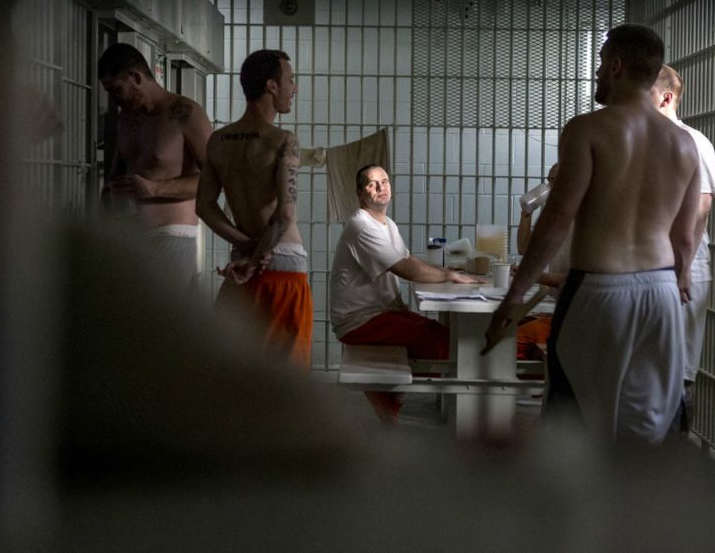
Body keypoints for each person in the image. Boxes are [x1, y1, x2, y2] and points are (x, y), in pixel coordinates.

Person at [485, 24, 701, 447]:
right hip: (661, 292)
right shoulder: (684, 143)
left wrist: (515, 295)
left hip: (599, 290)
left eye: (602, 64)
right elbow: (686, 236)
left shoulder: (587, 130)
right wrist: (682, 276)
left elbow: (558, 218)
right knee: (647, 428)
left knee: (574, 421)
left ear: (616, 66)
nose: (599, 73)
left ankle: (581, 509)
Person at [330, 164, 483, 424]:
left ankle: (391, 398)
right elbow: (405, 268)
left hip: (381, 315)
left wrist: (444, 269)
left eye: (385, 181)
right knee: (437, 340)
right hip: (360, 321)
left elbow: (408, 259)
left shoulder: (387, 224)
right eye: (372, 183)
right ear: (360, 193)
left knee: (437, 333)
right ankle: (399, 398)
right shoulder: (361, 225)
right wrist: (450, 276)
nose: (381, 187)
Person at [196, 49, 313, 368]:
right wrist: (259, 254)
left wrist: (245, 247)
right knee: (286, 378)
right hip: (282, 266)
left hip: (242, 270)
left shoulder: (219, 140)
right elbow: (284, 215)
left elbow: (205, 207)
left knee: (237, 372)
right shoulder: (283, 140)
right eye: (291, 80)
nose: (295, 88)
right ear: (272, 86)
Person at [99, 42, 213, 286]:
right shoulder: (125, 118)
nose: (114, 99)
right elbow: (115, 176)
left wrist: (154, 189)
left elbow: (217, 179)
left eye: (117, 90)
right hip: (128, 235)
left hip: (170, 236)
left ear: (136, 77)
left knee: (156, 322)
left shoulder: (185, 112)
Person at [652, 64, 715, 431]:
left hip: (683, 265)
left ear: (665, 97)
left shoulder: (692, 140)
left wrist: (681, 267)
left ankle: (670, 453)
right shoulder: (649, 139)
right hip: (659, 264)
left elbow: (702, 205)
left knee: (676, 373)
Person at [515, 163, 572, 360]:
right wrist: (526, 213)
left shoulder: (585, 219)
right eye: (549, 180)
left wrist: (534, 276)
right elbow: (524, 248)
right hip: (556, 308)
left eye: (558, 180)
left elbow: (576, 279)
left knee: (508, 339)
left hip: (573, 315)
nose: (551, 186)